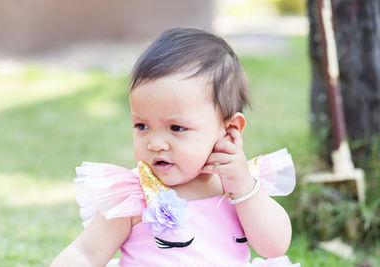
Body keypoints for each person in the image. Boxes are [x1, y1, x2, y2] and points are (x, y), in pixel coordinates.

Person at [51, 27, 300, 267]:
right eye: (141, 126)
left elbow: (274, 247)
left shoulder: (238, 189)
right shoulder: (135, 193)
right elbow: (85, 254)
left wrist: (245, 189)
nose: (155, 144)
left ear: (229, 129)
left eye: (176, 128)